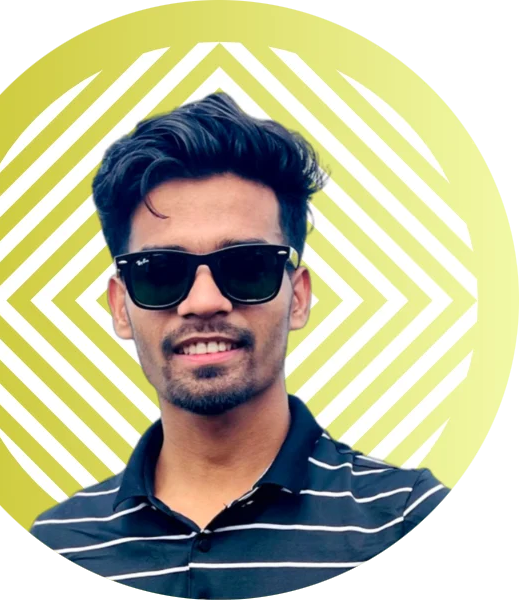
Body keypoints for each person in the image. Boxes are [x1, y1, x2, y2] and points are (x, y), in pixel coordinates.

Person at [30, 92, 449, 598]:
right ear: (120, 306)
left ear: (298, 298)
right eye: (160, 271)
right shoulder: (60, 542)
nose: (204, 302)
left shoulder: (404, 518)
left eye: (248, 266)